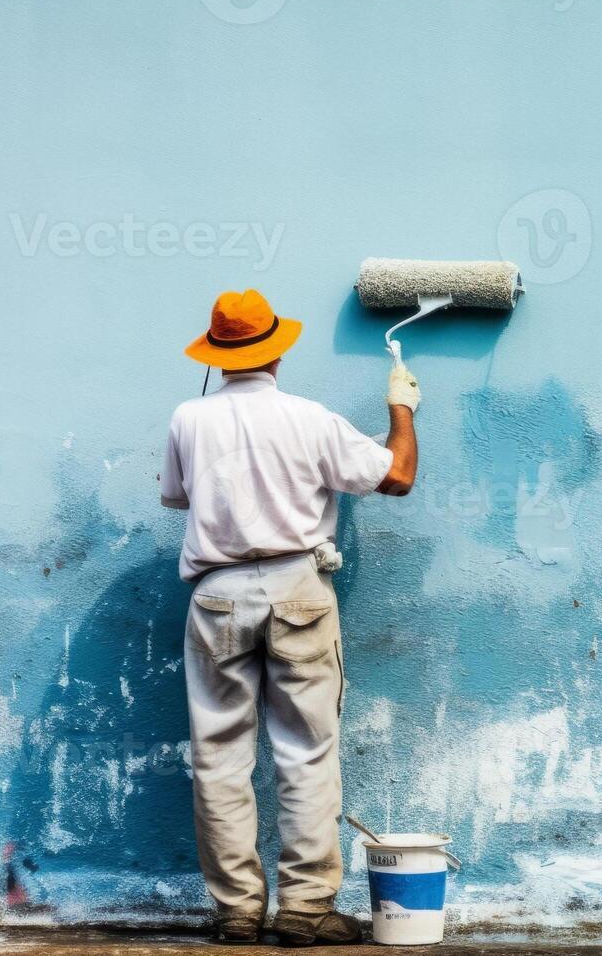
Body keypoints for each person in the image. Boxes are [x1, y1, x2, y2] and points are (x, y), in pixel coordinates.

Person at [159, 288, 420, 946]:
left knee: (218, 759)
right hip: (298, 588)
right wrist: (402, 406)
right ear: (277, 353)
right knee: (306, 755)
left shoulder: (187, 418)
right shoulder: (311, 418)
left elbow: (175, 497)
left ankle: (237, 912)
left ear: (216, 356)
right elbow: (398, 477)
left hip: (216, 595)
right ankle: (305, 912)